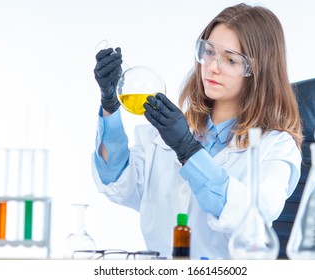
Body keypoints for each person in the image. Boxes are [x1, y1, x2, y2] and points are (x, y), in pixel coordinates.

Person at [92, 3, 303, 259]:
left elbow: (252, 218)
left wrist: (188, 151)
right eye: (209, 52)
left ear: (258, 70)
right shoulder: (166, 135)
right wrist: (109, 105)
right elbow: (116, 182)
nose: (213, 66)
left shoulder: (274, 147)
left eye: (230, 59)